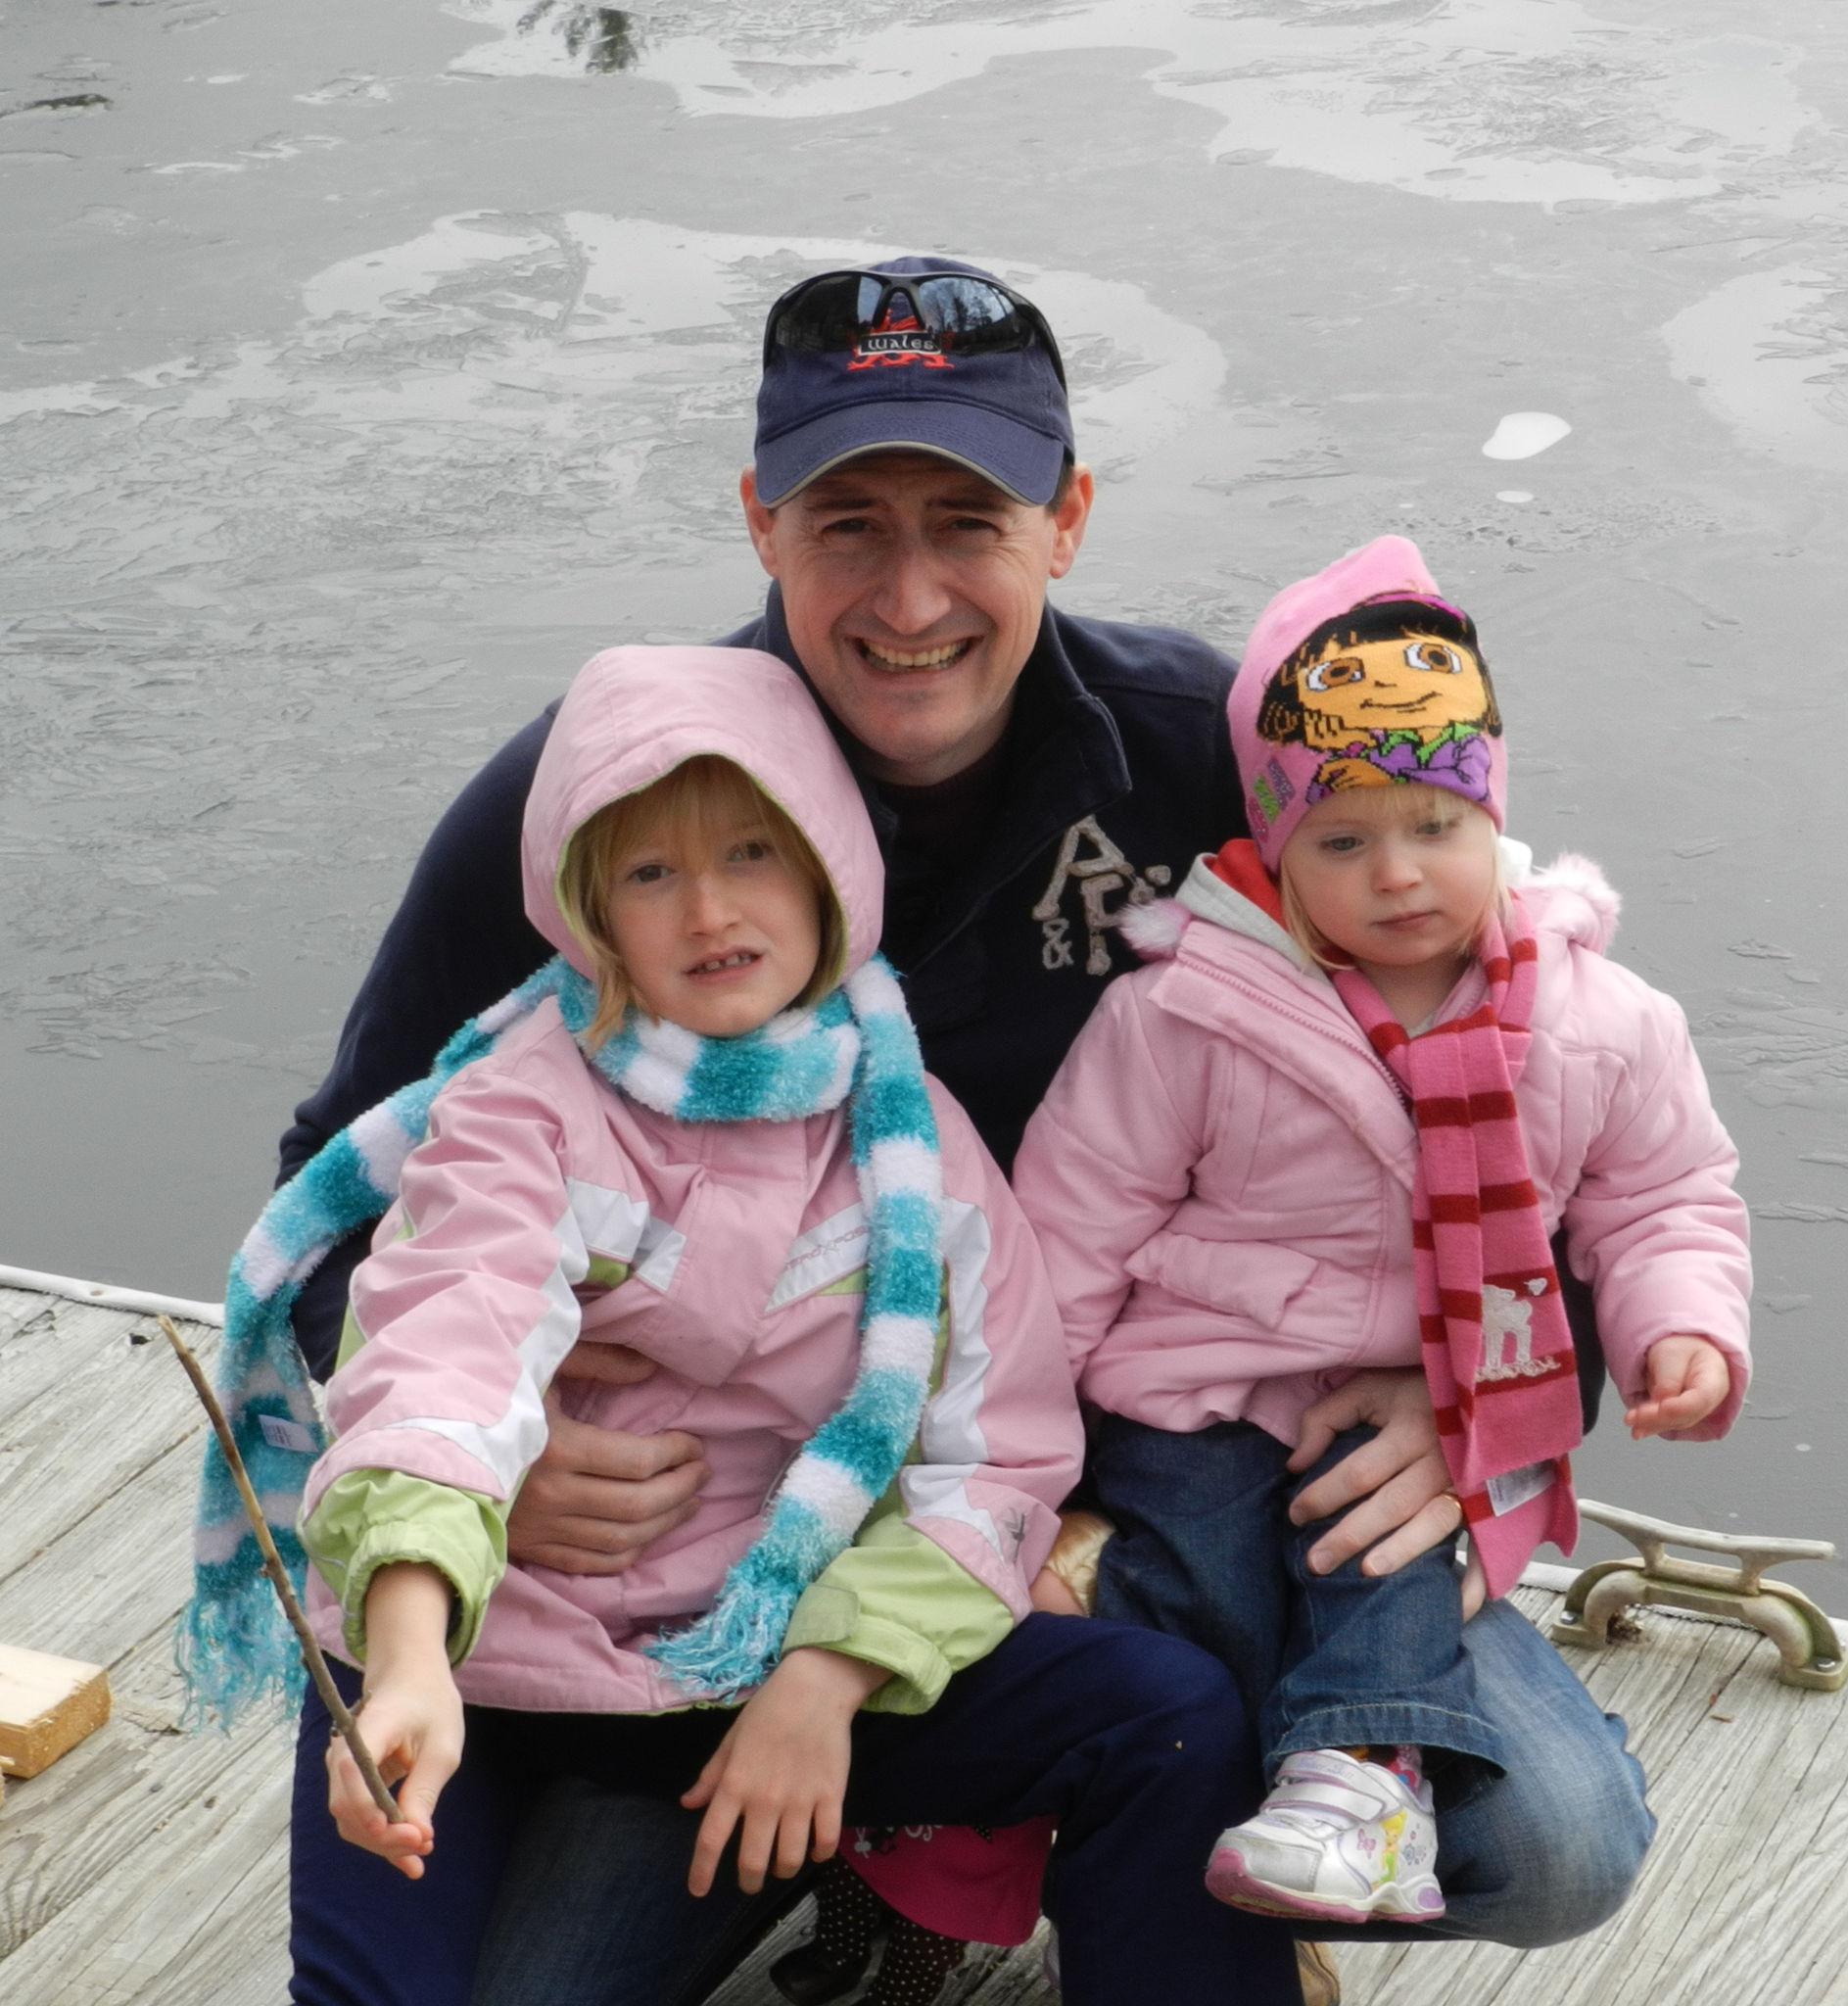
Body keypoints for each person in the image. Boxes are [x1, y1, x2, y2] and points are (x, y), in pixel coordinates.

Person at [269, 258, 1653, 1996]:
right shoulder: (603, 795)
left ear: (1068, 518)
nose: (911, 593)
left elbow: (1538, 1063)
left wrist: (1501, 1372)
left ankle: (1084, 1826)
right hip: (698, 1545)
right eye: (848, 523)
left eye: (970, 518)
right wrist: (504, 1457)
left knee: (1551, 1833)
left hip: (1141, 1478)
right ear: (758, 520)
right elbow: (342, 1216)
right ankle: (869, 1830)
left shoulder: (1211, 757)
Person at [186, 642, 1304, 2006]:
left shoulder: (920, 1147)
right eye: (650, 872)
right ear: (587, 914)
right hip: (489, 1652)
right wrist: (410, 1654)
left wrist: (826, 1683)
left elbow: (997, 1456)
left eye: (756, 855)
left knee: (1169, 1720)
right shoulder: (513, 1107)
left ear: (832, 870)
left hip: (762, 1656)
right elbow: (444, 1348)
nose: (710, 907)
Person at [1009, 533, 1751, 1935]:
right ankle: (1235, 1781)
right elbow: (1067, 1235)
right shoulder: (1187, 1010)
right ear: (1277, 859)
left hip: (1429, 1425)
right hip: (1196, 1396)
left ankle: (1357, 1780)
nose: (1398, 874)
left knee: (1376, 1562)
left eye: (1436, 825)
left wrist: (1680, 1329)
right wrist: (1021, 1480)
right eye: (1342, 842)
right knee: (1213, 1571)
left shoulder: (1602, 1023)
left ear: (1497, 817)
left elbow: (1660, 1201)